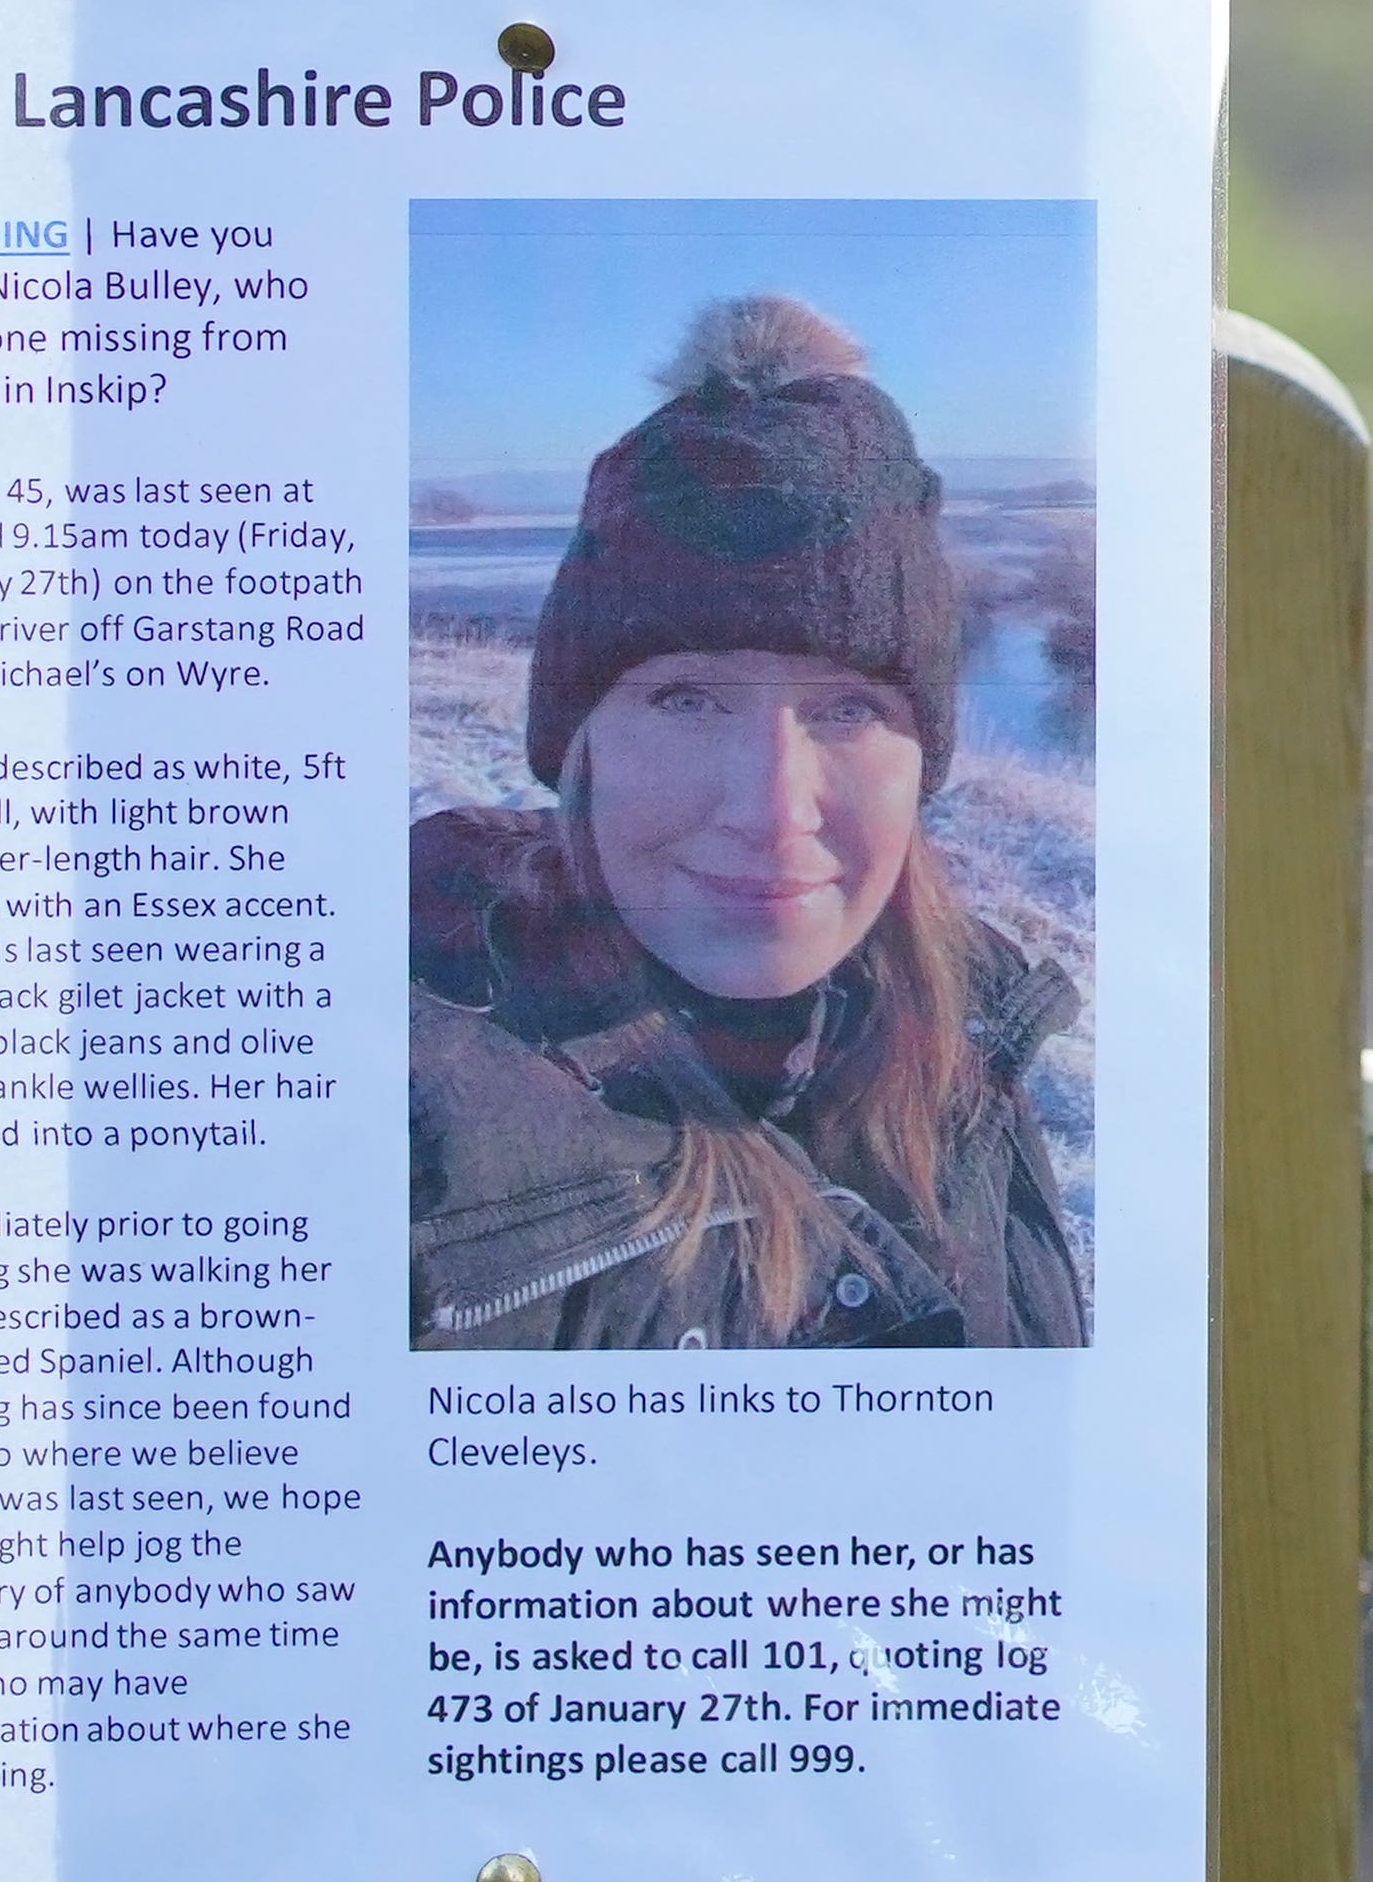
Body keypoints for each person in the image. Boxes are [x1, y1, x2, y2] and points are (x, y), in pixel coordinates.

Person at [410, 294, 1089, 1353]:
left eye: (847, 707)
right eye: (687, 699)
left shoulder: (971, 1039)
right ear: (579, 743)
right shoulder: (414, 1101)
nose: (772, 809)